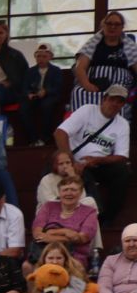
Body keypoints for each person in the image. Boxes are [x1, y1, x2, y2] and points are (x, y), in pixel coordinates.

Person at [56, 82, 131, 223]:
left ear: (122, 106)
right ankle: (94, 216)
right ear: (104, 99)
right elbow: (60, 133)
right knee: (85, 177)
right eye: (112, 99)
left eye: (119, 102)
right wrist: (71, 162)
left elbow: (122, 156)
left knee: (123, 171)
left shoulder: (122, 123)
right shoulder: (87, 111)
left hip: (99, 163)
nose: (114, 104)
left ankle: (108, 220)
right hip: (74, 160)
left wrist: (96, 160)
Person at [70, 9, 137, 112]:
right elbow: (80, 67)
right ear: (103, 26)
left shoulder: (129, 46)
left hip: (119, 84)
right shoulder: (93, 44)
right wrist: (87, 84)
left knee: (117, 95)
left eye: (117, 24)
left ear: (122, 27)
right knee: (78, 92)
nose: (112, 27)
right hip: (94, 83)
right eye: (109, 23)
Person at [32, 175, 100, 272]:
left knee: (76, 267)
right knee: (27, 266)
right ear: (59, 193)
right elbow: (37, 235)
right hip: (46, 253)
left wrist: (52, 233)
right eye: (65, 190)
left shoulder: (90, 211)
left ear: (80, 193)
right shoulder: (48, 207)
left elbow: (82, 238)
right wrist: (68, 235)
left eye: (73, 190)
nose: (69, 193)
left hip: (74, 255)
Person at [22, 43, 66, 146]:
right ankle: (32, 138)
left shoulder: (56, 71)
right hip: (35, 96)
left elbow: (58, 87)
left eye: (44, 56)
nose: (41, 59)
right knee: (24, 107)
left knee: (47, 106)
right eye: (38, 56)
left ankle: (44, 138)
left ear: (50, 57)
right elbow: (24, 87)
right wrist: (29, 94)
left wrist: (46, 91)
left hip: (51, 97)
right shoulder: (30, 71)